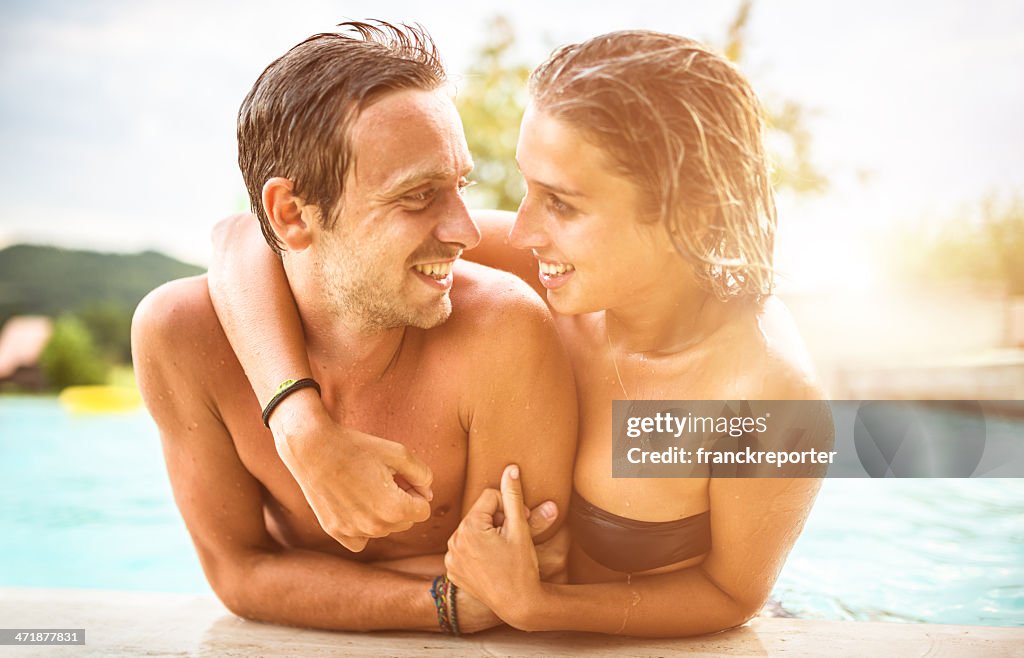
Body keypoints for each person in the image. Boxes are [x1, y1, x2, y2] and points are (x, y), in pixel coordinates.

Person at [210, 29, 826, 637]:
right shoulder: (550, 263)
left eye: (561, 203)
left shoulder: (768, 393)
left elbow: (732, 594)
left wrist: (538, 608)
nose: (521, 229)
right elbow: (244, 235)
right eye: (526, 187)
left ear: (687, 209)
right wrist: (300, 425)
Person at [133, 22, 576, 633]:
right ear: (292, 214)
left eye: (460, 185)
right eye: (418, 195)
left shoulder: (503, 320)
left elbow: (517, 576)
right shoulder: (183, 338)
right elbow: (237, 574)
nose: (466, 232)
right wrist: (440, 601)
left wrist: (307, 577)